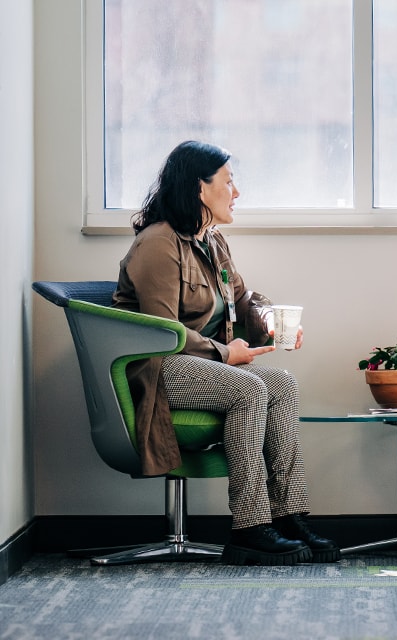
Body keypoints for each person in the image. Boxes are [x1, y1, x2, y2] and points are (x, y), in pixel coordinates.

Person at [113, 140, 340, 566]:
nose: (236, 192)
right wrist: (224, 353)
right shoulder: (158, 244)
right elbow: (162, 332)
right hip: (160, 368)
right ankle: (249, 528)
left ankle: (287, 516)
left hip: (203, 364)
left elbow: (242, 296)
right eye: (229, 181)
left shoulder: (213, 243)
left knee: (282, 384)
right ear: (200, 189)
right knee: (249, 389)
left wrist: (268, 318)